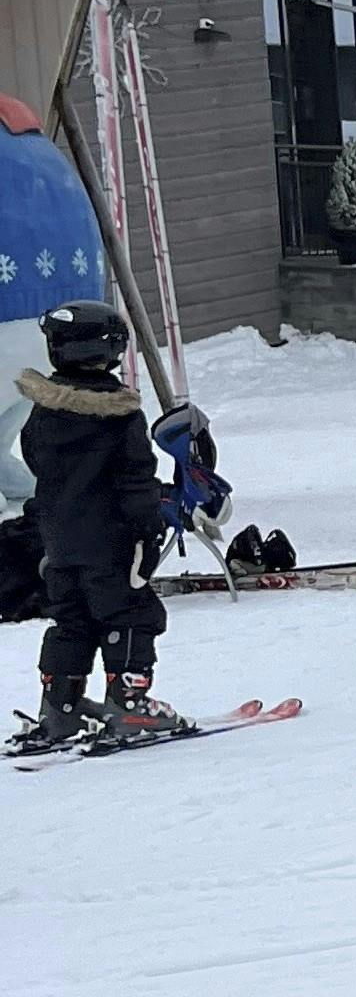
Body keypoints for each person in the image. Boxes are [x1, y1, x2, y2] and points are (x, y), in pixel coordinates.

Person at [9, 301, 177, 754]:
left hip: (59, 543)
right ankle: (129, 703)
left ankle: (59, 705)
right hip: (112, 543)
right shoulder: (118, 414)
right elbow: (135, 478)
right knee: (130, 614)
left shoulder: (43, 412)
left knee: (72, 619)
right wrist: (148, 529)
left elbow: (37, 462)